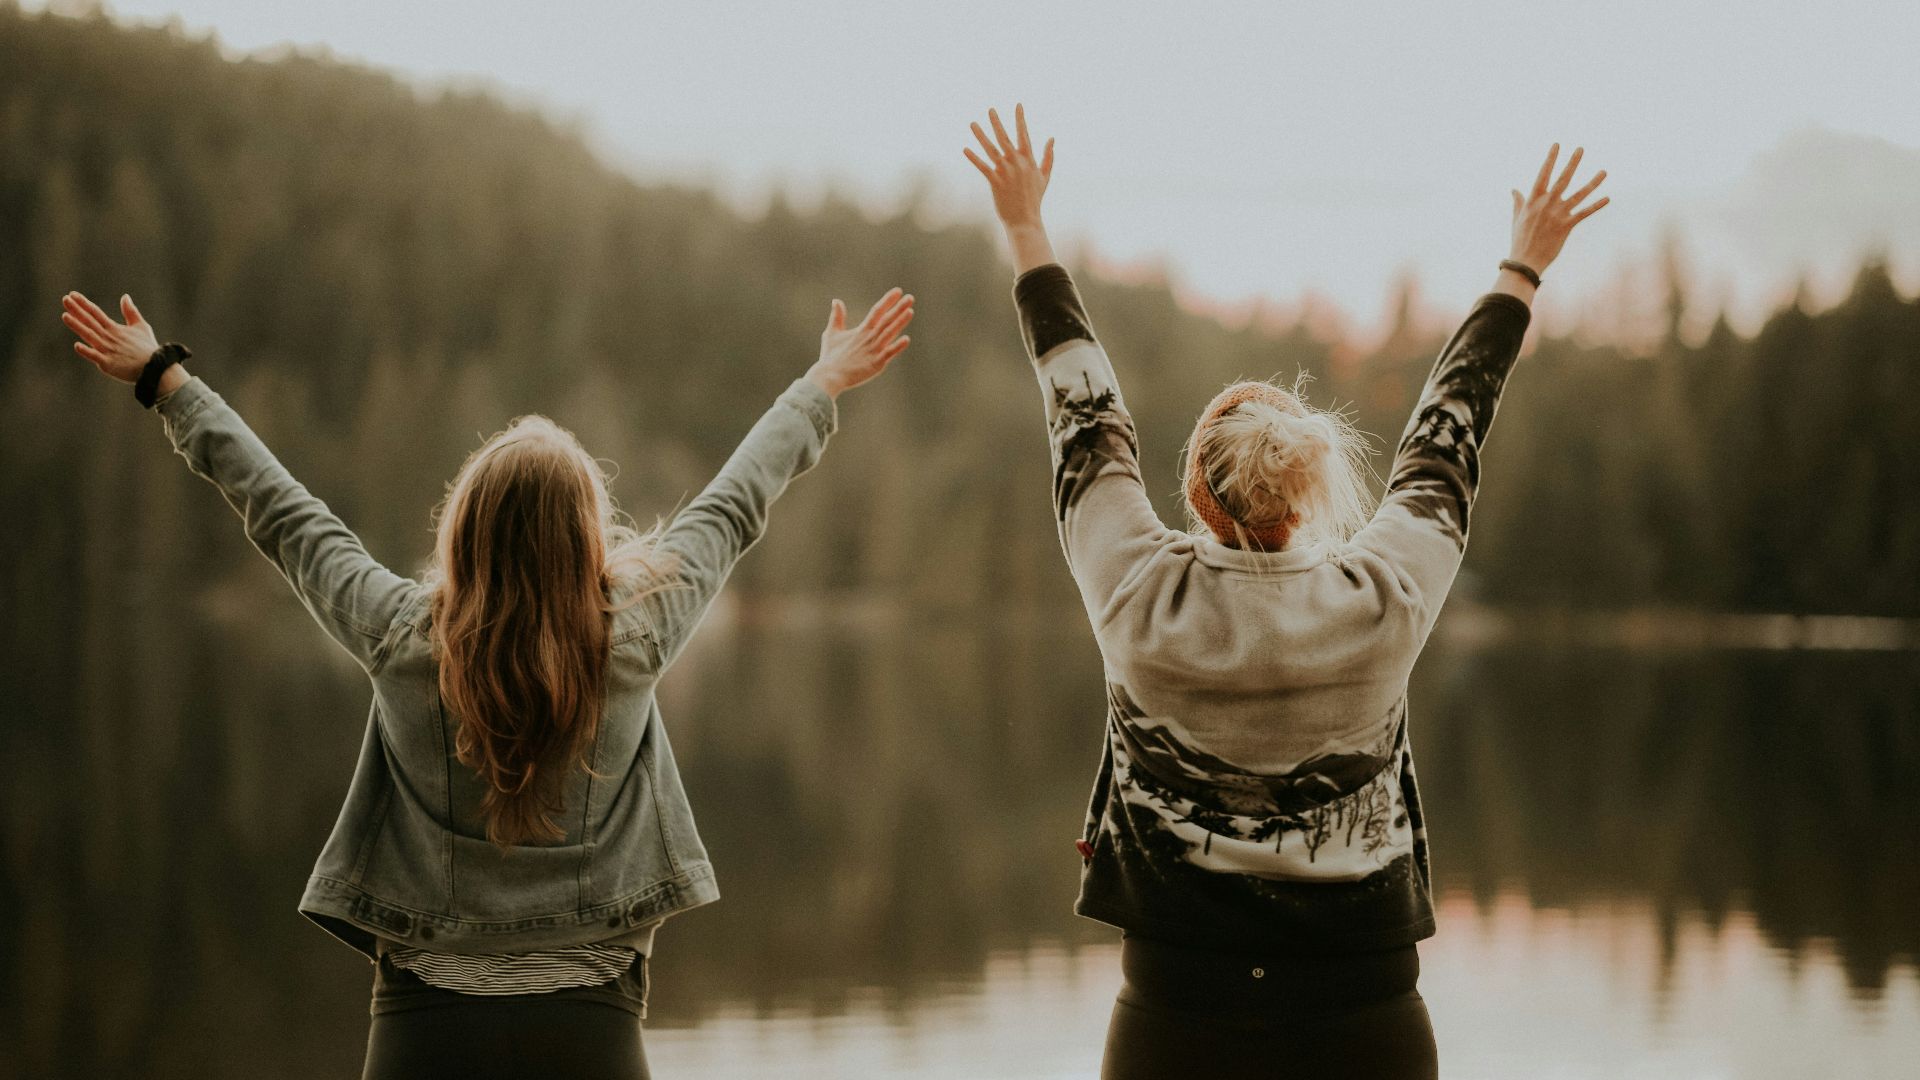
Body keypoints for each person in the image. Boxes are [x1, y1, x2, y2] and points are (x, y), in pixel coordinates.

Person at [58, 284, 915, 1079]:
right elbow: (733, 504)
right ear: (587, 538)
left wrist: (168, 382)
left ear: (462, 530)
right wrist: (821, 384)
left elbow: (287, 517)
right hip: (591, 1028)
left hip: (423, 1028)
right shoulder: (633, 637)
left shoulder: (399, 637)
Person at [965, 105, 1607, 1079]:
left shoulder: (1137, 588)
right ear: (1309, 494)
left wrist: (1025, 230)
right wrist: (1520, 270)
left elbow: (1083, 414)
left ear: (1194, 495)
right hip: (1363, 1007)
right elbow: (1447, 437)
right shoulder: (1379, 595)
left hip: (1178, 1005)